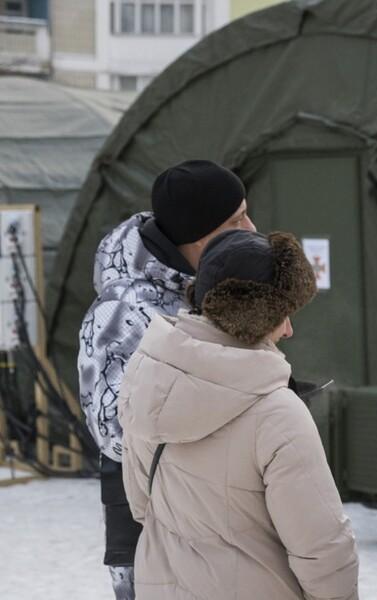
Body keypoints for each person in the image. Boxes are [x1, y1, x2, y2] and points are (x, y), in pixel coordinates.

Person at [118, 229, 359, 600]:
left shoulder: (145, 380)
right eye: (283, 315)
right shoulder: (277, 412)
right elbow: (322, 547)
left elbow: (141, 506)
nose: (290, 330)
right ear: (254, 316)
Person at [77, 160, 255, 599]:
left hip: (215, 516)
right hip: (149, 528)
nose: (252, 228)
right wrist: (226, 397)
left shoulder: (209, 287)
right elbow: (115, 432)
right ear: (199, 234)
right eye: (237, 219)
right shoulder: (121, 312)